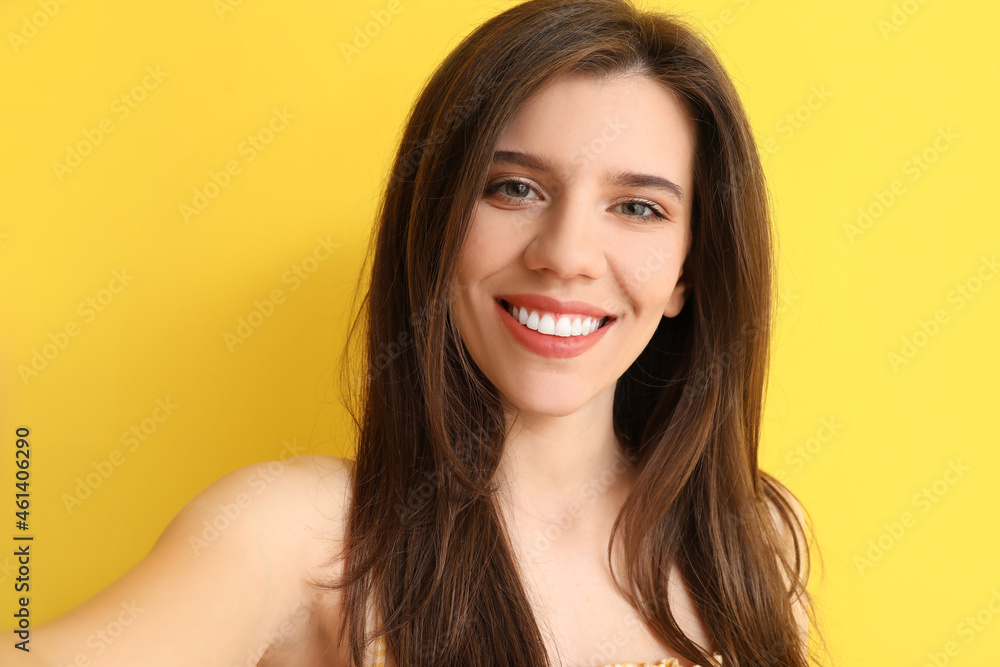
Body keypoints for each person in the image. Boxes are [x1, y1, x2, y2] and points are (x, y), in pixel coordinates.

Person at [5, 0, 825, 665]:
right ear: (436, 223)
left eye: (638, 207)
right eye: (513, 188)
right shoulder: (300, 535)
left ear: (687, 270)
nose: (567, 255)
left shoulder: (751, 537)